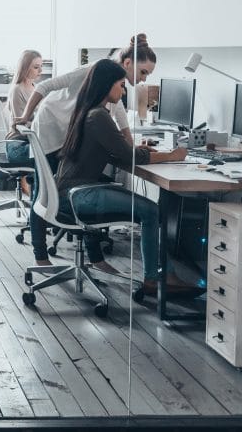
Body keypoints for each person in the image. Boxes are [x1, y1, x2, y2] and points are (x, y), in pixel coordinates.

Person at [55, 59, 198, 296]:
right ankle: (156, 278)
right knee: (151, 212)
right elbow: (130, 156)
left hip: (70, 192)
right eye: (121, 85)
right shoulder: (98, 116)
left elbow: (120, 153)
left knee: (150, 210)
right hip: (79, 195)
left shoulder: (88, 112)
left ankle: (163, 273)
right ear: (106, 85)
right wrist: (173, 155)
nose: (123, 91)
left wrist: (144, 152)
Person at [14, 33, 157, 268]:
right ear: (128, 63)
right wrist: (26, 116)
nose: (142, 79)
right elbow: (47, 86)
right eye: (143, 72)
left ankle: (96, 258)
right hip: (50, 128)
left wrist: (130, 148)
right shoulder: (94, 71)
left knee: (88, 181)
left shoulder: (113, 86)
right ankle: (40, 256)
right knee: (44, 193)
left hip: (70, 131)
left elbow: (121, 120)